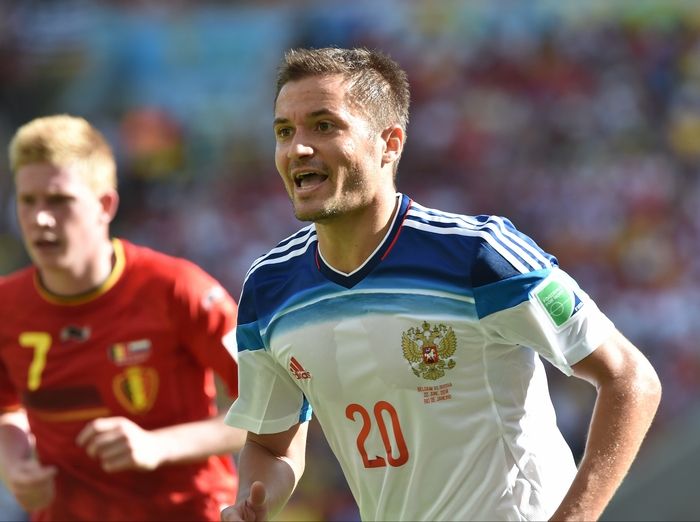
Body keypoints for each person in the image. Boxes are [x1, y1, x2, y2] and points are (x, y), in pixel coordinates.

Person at [220, 47, 662, 522]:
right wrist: (252, 501)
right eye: (284, 132)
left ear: (390, 143)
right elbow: (271, 446)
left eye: (324, 126)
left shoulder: (480, 255)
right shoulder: (269, 289)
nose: (298, 149)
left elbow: (631, 378)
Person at [0, 114, 246, 521]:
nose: (40, 218)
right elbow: (6, 409)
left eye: (59, 201)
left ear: (105, 205)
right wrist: (13, 462)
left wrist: (158, 445)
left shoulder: (180, 289)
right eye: (28, 201)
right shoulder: (7, 306)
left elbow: (271, 409)